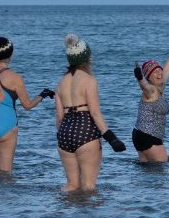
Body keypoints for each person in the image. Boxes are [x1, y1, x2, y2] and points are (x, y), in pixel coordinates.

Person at [50, 33, 125, 193]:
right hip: (85, 131)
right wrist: (112, 139)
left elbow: (59, 117)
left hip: (64, 132)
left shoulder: (61, 83)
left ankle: (64, 217)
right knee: (89, 186)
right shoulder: (89, 80)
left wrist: (62, 134)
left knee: (71, 185)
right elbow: (95, 113)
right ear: (87, 58)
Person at [0, 37, 51, 174]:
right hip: (6, 125)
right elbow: (27, 105)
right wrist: (42, 95)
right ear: (10, 54)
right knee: (5, 175)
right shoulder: (15, 78)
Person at [131, 38, 169, 163]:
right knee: (161, 168)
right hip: (148, 136)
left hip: (140, 134)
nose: (159, 73)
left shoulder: (160, 87)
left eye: (160, 70)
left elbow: (168, 70)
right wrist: (139, 77)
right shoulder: (151, 90)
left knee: (146, 172)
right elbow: (144, 86)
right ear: (148, 76)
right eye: (155, 72)